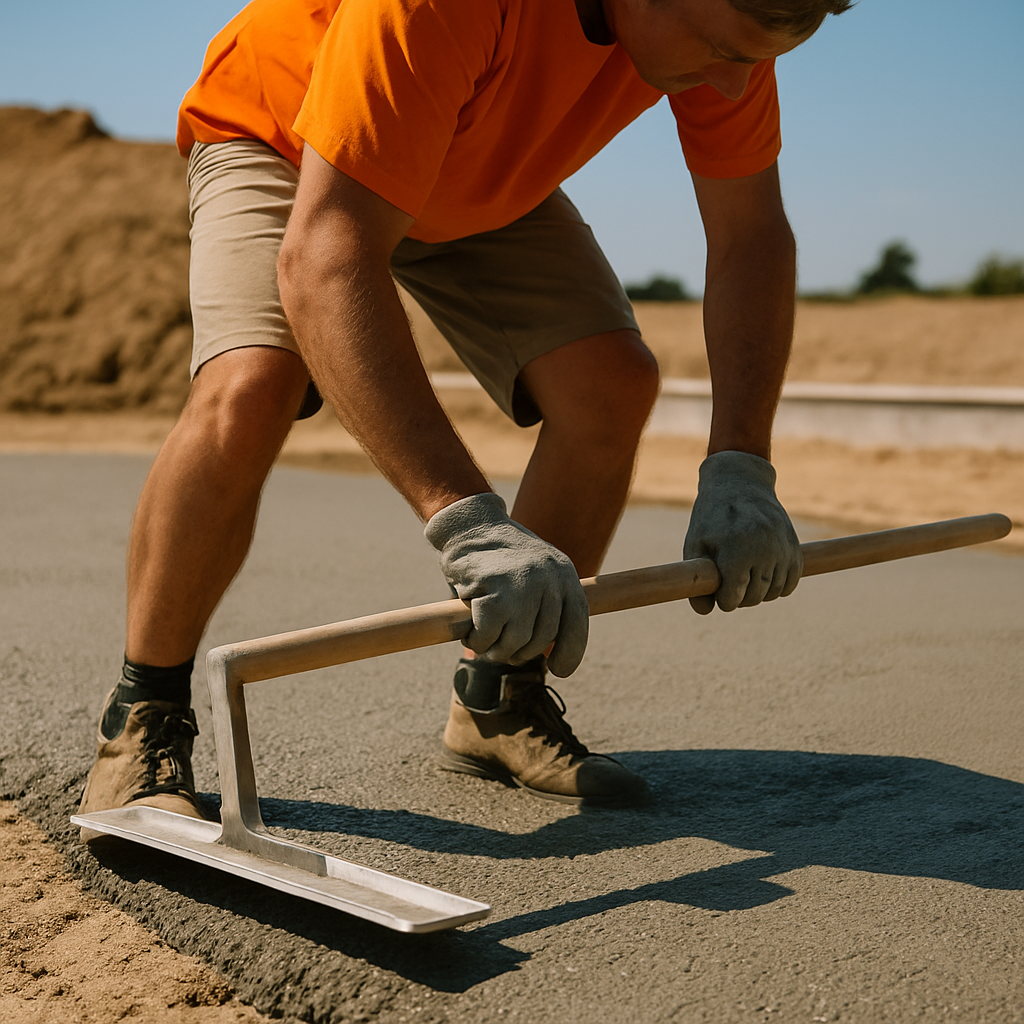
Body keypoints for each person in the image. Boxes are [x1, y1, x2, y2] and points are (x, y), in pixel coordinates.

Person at [78, 0, 850, 828]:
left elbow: (750, 237)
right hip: (285, 137)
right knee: (251, 385)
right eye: (722, 52)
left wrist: (742, 462)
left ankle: (499, 700)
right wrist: (469, 523)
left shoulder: (726, 21)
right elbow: (325, 254)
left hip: (466, 162)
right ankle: (142, 719)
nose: (738, 81)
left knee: (609, 383)